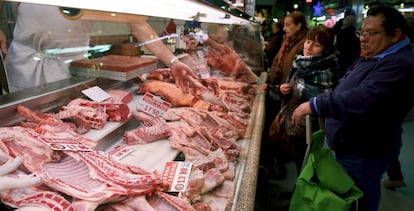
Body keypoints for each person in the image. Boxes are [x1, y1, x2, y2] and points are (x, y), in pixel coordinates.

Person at [291, 5, 414, 211]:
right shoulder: (377, 53)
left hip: (364, 150)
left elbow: (363, 99)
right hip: (353, 144)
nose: (363, 39)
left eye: (371, 33)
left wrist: (315, 104)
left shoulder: (399, 64)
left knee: (359, 199)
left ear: (395, 35)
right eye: (362, 32)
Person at [0, 3, 198, 94]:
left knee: (62, 121)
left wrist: (172, 61)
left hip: (68, 68)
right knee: (20, 119)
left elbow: (138, 24)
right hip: (22, 61)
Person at [270, 25, 338, 178]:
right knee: (299, 163)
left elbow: (321, 103)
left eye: (316, 44)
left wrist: (297, 91)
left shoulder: (325, 72)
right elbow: (293, 92)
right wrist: (282, 89)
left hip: (308, 129)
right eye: (308, 42)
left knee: (307, 164)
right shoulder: (301, 63)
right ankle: (297, 192)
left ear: (325, 50)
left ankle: (302, 197)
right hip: (294, 123)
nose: (309, 47)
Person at [260, 11, 309, 178]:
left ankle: (291, 177)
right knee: (281, 134)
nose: (285, 29)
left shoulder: (303, 44)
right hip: (280, 91)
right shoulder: (287, 41)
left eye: (289, 25)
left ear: (299, 26)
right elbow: (278, 64)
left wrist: (283, 86)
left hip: (292, 98)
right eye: (284, 25)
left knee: (291, 139)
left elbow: (300, 72)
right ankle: (279, 167)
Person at [335, 14, 360, 79]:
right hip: (352, 59)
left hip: (343, 58)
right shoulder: (355, 33)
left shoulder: (342, 32)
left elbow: (339, 45)